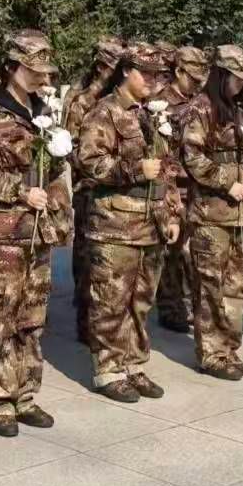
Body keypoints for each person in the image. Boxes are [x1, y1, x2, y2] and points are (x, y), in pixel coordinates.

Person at [0, 30, 71, 434]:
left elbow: (58, 167)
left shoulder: (44, 109)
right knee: (1, 318)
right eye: (34, 70)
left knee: (31, 317)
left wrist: (57, 208)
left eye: (45, 71)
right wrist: (19, 191)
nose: (43, 78)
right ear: (12, 67)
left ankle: (25, 395)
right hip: (4, 230)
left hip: (38, 232)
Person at [76, 42, 177, 401]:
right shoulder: (104, 112)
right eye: (144, 73)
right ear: (125, 72)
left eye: (156, 75)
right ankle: (108, 370)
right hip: (115, 225)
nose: (151, 80)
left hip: (151, 224)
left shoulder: (151, 114)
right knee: (111, 301)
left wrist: (172, 212)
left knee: (141, 301)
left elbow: (167, 169)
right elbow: (89, 163)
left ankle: (134, 364)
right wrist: (133, 169)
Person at [179, 44, 243, 380]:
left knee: (236, 287)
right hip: (211, 214)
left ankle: (229, 348)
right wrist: (227, 182)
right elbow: (192, 157)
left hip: (242, 214)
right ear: (221, 74)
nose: (241, 84)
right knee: (210, 287)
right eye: (236, 78)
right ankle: (211, 353)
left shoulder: (242, 109)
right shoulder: (201, 108)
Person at [66, 36, 125, 345]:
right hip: (88, 188)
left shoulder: (118, 99)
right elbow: (72, 148)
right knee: (87, 258)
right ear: (102, 66)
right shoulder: (82, 99)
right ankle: (85, 321)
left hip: (114, 189)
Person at [155, 45, 209, 334]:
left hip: (197, 185)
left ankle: (187, 303)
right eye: (192, 77)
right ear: (178, 71)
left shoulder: (200, 101)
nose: (197, 83)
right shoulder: (160, 102)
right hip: (174, 183)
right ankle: (170, 307)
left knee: (191, 250)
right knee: (172, 250)